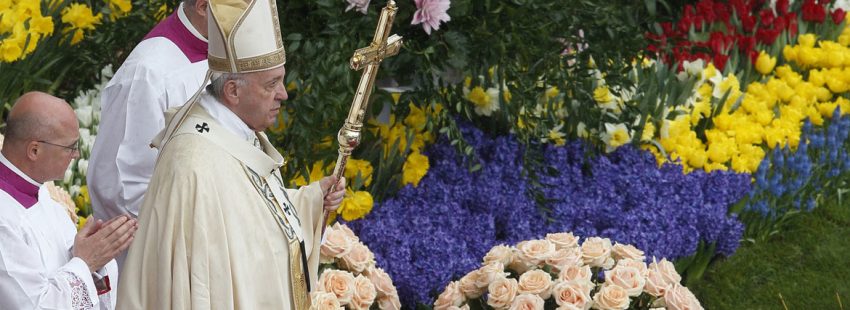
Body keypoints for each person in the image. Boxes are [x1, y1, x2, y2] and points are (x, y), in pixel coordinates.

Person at [116, 0, 346, 308]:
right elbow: (197, 283)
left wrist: (312, 198)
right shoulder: (193, 165)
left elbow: (254, 218)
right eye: (271, 84)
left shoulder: (238, 132)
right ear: (233, 91)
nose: (284, 94)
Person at [0, 92, 138, 310]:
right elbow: (34, 306)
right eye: (71, 147)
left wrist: (96, 252)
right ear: (34, 150)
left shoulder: (41, 191)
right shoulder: (4, 219)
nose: (76, 155)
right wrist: (86, 261)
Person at [87, 0, 209, 222]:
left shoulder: (225, 45)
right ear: (203, 7)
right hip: (165, 238)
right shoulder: (147, 72)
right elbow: (122, 184)